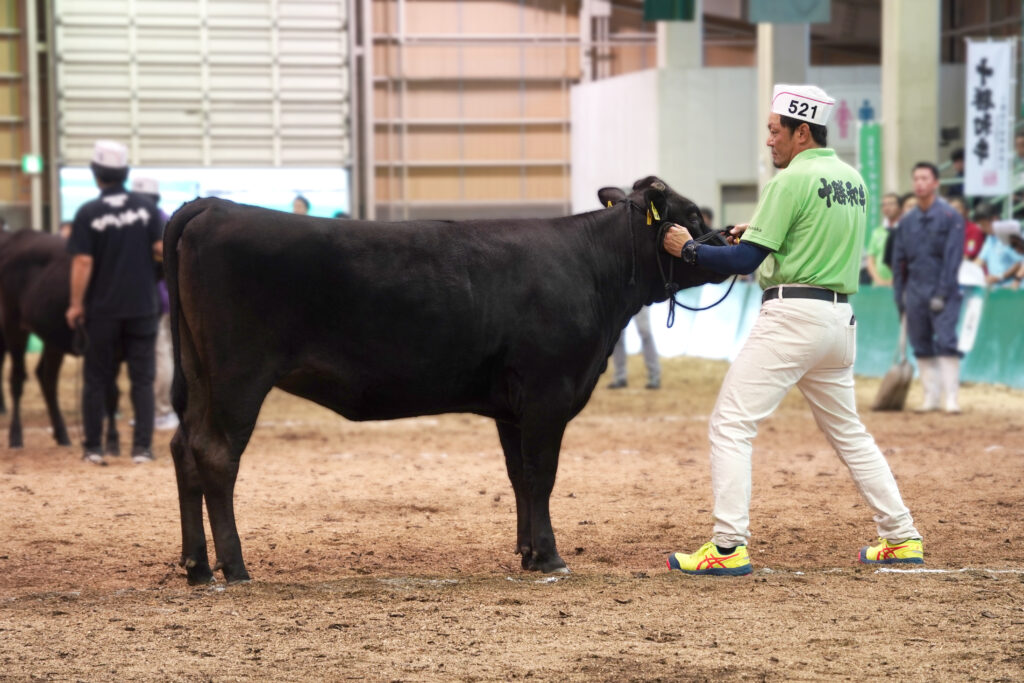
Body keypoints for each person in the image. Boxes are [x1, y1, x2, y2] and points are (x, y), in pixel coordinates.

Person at [660, 84, 921, 575]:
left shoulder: (789, 182)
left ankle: (728, 545)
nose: (769, 140)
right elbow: (794, 237)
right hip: (838, 319)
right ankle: (902, 535)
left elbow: (741, 259)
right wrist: (754, 232)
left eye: (775, 130)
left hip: (791, 316)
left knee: (731, 424)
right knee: (849, 432)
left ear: (802, 132)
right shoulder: (852, 180)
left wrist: (687, 249)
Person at [65, 141, 164, 465]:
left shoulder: (88, 213)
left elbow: (82, 262)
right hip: (143, 307)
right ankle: (142, 449)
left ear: (96, 174)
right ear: (124, 173)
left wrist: (76, 304)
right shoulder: (146, 209)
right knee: (143, 380)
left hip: (103, 310)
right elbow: (162, 249)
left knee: (96, 379)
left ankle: (94, 448)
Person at [892, 162, 965, 414]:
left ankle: (951, 398)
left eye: (925, 178)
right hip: (915, 291)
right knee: (920, 343)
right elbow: (899, 260)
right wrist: (899, 296)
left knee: (946, 341)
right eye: (916, 179)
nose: (920, 183)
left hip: (945, 289)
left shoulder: (950, 217)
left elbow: (953, 258)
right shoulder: (907, 221)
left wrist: (942, 293)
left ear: (935, 183)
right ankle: (931, 397)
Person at [130, 176, 177, 431]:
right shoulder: (163, 217)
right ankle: (158, 409)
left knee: (159, 355)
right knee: (162, 353)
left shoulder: (149, 220)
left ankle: (161, 410)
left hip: (154, 297)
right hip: (165, 297)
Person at [607, 307, 661, 390]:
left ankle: (654, 376)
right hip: (620, 298)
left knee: (645, 332)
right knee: (617, 335)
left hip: (640, 298)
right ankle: (620, 377)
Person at [973, 203, 1024, 290]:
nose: (982, 229)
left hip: (1015, 290)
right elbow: (979, 260)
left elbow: (1020, 263)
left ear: (994, 219)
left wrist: (1000, 277)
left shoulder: (1010, 234)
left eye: (983, 225)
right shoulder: (990, 238)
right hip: (997, 290)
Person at [864, 192, 901, 286]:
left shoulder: (904, 230)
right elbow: (870, 259)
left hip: (899, 285)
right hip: (878, 286)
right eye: (884, 205)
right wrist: (879, 280)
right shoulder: (877, 232)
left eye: (891, 204)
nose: (887, 207)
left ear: (900, 207)